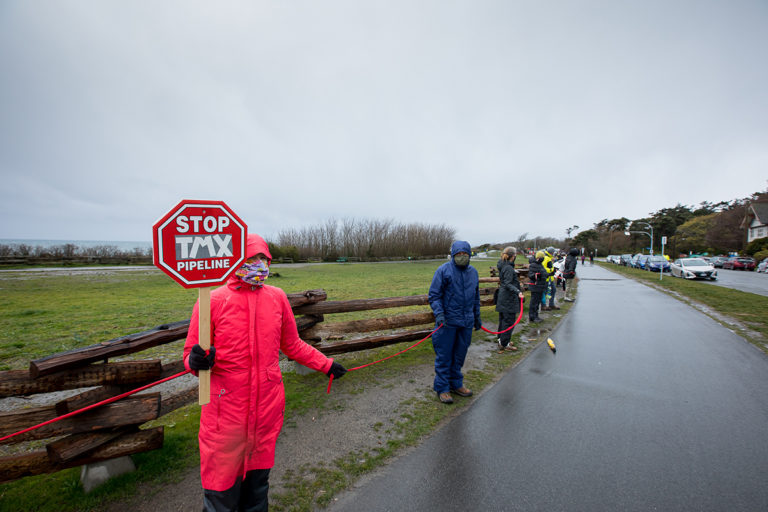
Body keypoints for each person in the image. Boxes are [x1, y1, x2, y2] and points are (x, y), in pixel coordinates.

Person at [183, 233, 347, 512]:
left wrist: (326, 364)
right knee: (221, 496)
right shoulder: (212, 301)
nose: (259, 265)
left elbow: (292, 344)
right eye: (251, 258)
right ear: (235, 261)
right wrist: (196, 362)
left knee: (257, 493)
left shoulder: (277, 298)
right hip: (225, 417)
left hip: (266, 413)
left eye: (263, 259)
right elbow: (190, 355)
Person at [428, 240, 481, 404]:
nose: (462, 257)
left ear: (469, 255)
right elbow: (434, 295)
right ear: (453, 255)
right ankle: (442, 388)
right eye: (458, 255)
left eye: (465, 254)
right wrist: (439, 314)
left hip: (466, 322)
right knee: (444, 356)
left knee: (459, 355)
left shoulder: (473, 273)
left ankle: (456, 384)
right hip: (448, 322)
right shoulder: (443, 270)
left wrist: (477, 317)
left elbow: (475, 298)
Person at [495, 247, 524, 352]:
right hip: (507, 298)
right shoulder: (508, 268)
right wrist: (518, 291)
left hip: (504, 297)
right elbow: (507, 283)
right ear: (513, 256)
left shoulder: (504, 265)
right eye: (515, 254)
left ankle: (501, 340)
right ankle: (504, 343)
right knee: (508, 321)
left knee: (503, 320)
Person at [527, 250, 549, 323]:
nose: (543, 259)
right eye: (542, 257)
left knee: (537, 303)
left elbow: (544, 273)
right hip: (535, 286)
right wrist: (536, 275)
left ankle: (536, 316)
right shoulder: (533, 265)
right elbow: (531, 275)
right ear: (538, 257)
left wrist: (550, 274)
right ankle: (532, 317)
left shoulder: (540, 264)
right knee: (534, 303)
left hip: (540, 286)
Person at [541, 247, 560, 311]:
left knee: (553, 290)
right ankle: (543, 305)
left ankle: (551, 304)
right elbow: (542, 267)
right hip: (546, 278)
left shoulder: (549, 258)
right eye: (553, 252)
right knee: (545, 292)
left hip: (550, 278)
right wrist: (551, 270)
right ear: (551, 252)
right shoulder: (546, 258)